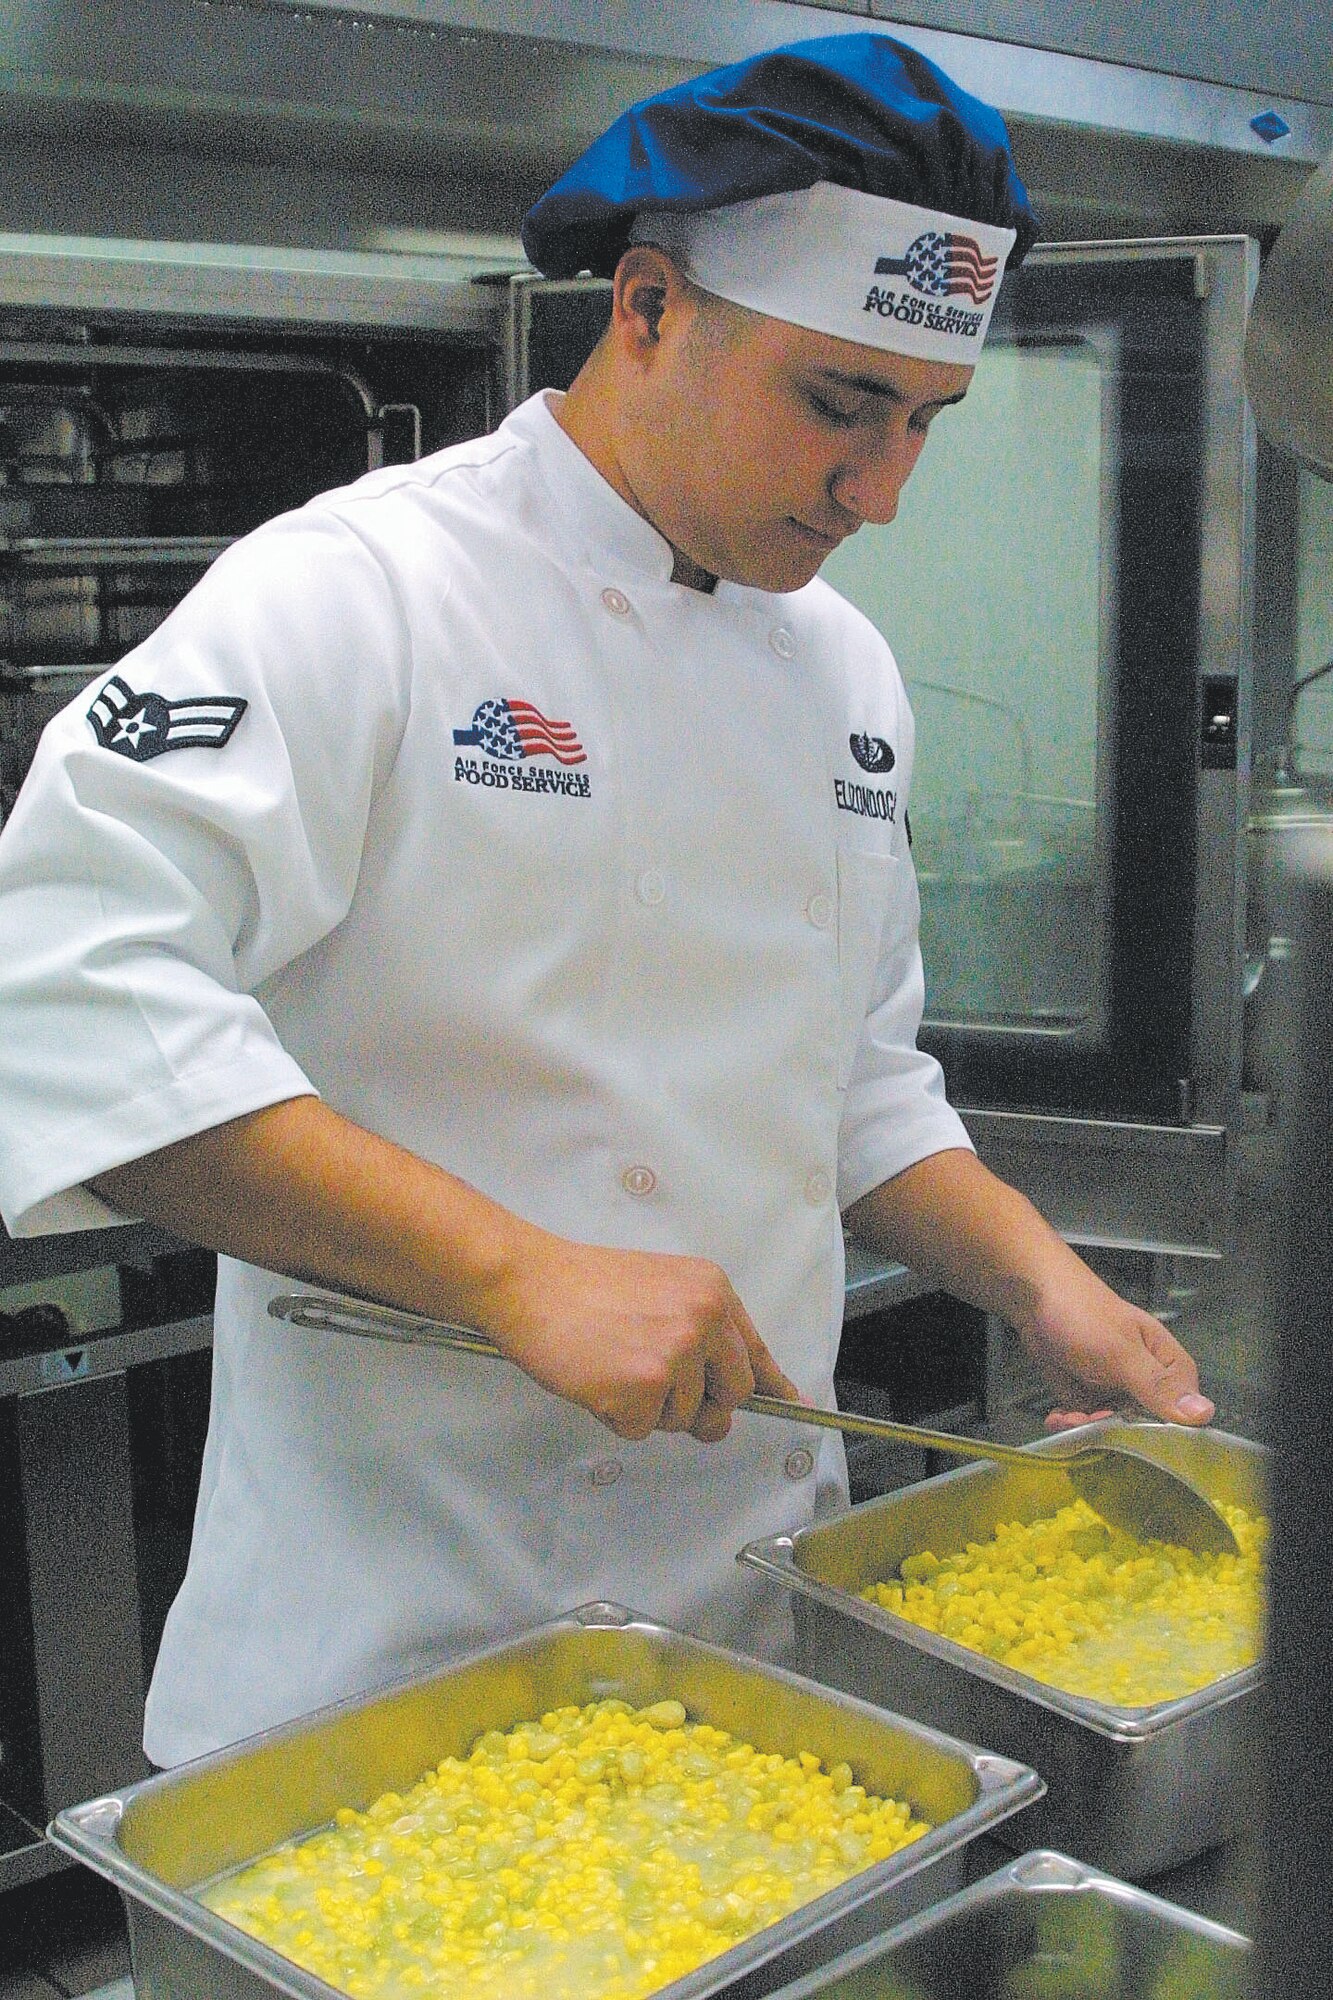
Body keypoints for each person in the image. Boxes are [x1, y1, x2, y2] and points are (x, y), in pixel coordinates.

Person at [0, 34, 1214, 1766]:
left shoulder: (844, 667)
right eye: (837, 403)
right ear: (646, 308)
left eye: (926, 421)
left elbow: (854, 1082)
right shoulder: (359, 594)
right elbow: (53, 987)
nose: (881, 491)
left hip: (750, 1622)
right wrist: (512, 1271)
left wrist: (1043, 1286)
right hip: (396, 1640)